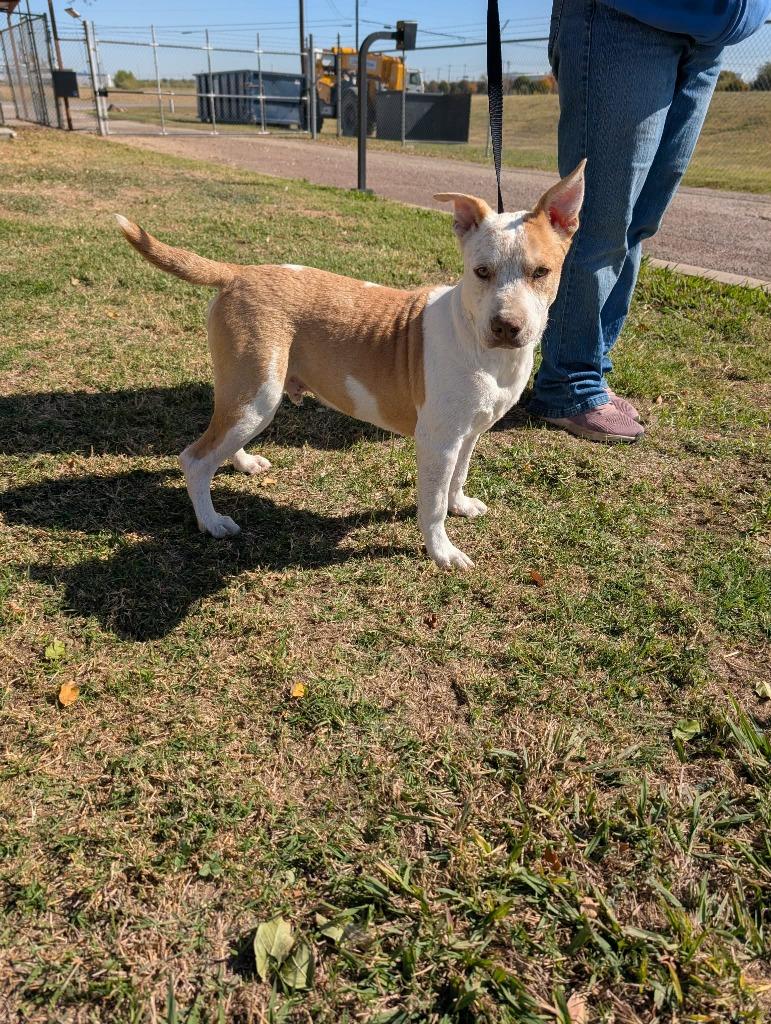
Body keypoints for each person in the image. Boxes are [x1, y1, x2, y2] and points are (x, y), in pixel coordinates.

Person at [527, 0, 771, 442]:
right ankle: (568, 383)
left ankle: (591, 368)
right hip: (625, 20)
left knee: (638, 220)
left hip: (712, 33)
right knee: (599, 220)